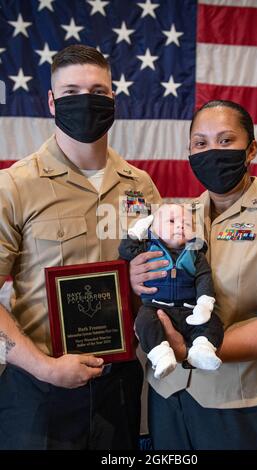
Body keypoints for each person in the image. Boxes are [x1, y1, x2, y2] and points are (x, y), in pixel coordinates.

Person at [0, 45, 161, 450]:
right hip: (40, 389)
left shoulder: (140, 186)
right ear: (52, 102)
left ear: (112, 101)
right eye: (70, 92)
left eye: (97, 92)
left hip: (119, 384)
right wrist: (45, 368)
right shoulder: (15, 186)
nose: (85, 101)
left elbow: (163, 275)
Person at [129, 100, 257, 450]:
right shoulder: (177, 218)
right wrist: (138, 278)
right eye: (201, 143)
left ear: (251, 149)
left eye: (226, 141)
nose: (212, 152)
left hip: (239, 408)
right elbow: (156, 293)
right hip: (168, 395)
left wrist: (188, 348)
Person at [119, 203, 223, 379]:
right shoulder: (148, 248)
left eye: (187, 224)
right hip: (156, 307)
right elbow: (126, 251)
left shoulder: (195, 254)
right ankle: (160, 354)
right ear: (155, 229)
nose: (181, 226)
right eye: (172, 221)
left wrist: (205, 303)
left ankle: (203, 348)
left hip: (190, 309)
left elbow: (204, 278)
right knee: (144, 322)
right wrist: (137, 231)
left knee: (213, 322)